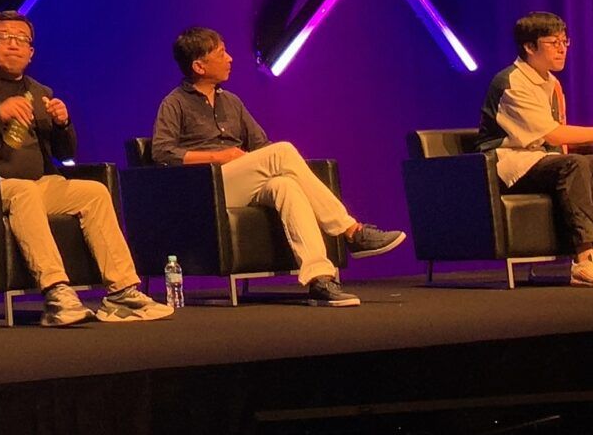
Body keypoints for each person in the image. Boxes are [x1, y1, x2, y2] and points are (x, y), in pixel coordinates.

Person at [0, 10, 172, 325]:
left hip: (38, 183)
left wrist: (63, 123)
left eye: (21, 39)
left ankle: (122, 292)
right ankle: (57, 292)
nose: (13, 44)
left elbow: (65, 152)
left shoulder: (39, 92)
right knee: (24, 192)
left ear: (31, 52)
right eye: (4, 38)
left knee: (93, 192)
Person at [148, 26, 405, 307]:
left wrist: (256, 160)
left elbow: (261, 146)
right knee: (282, 152)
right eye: (221, 53)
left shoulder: (231, 102)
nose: (230, 58)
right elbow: (163, 151)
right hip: (205, 189)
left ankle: (320, 279)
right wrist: (218, 156)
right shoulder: (174, 103)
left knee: (287, 186)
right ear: (199, 66)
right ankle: (352, 232)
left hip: (240, 184)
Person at [477, 12, 593, 286]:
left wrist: (592, 139)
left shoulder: (552, 83)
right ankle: (584, 260)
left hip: (540, 157)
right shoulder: (513, 82)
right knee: (574, 164)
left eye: (565, 41)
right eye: (553, 42)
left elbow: (555, 138)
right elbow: (552, 133)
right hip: (510, 163)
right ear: (530, 47)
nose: (562, 49)